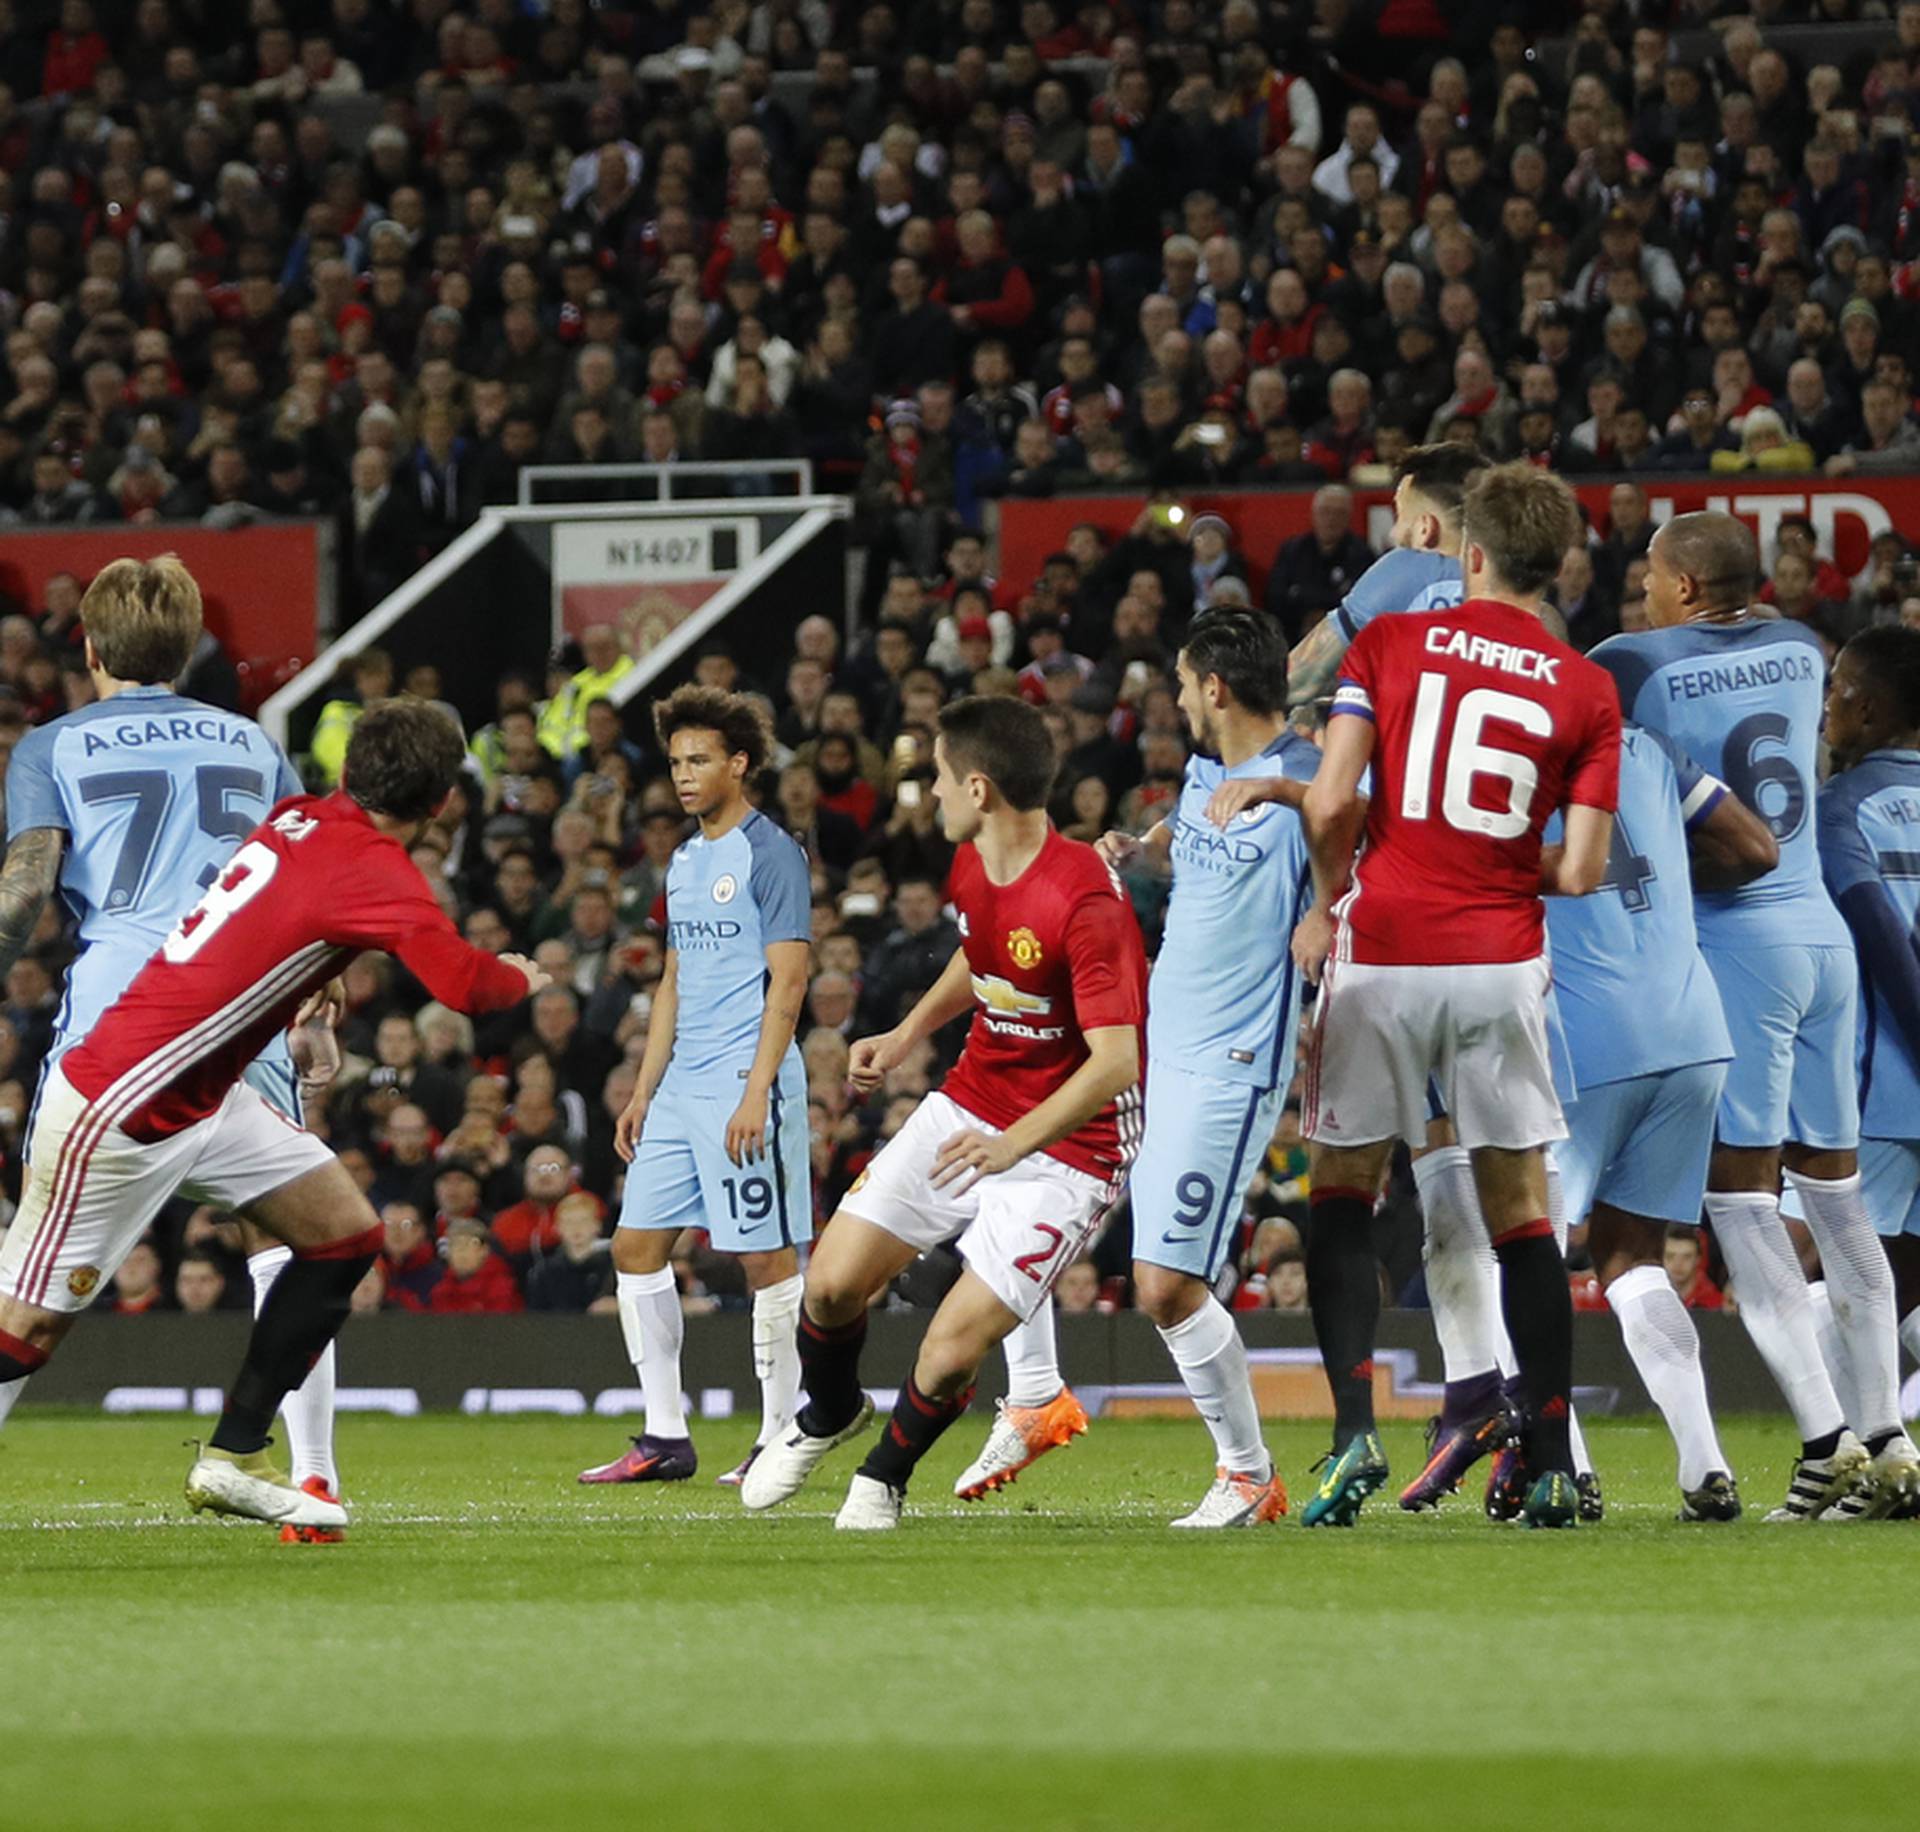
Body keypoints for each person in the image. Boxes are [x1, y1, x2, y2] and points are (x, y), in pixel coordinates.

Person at [0, 698, 545, 1531]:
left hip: (205, 1094)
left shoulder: (299, 817)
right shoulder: (375, 870)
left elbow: (277, 927)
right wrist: (522, 975)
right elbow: (469, 987)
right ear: (443, 803)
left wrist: (314, 993)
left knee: (344, 1234)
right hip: (122, 1099)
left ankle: (235, 1454)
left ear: (349, 772)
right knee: (32, 1324)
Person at [1295, 463, 1621, 1531]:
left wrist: (1349, 884)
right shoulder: (1584, 686)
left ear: (1465, 553)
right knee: (1521, 1207)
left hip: (1382, 946)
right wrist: (1484, 863)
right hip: (1498, 958)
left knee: (1341, 1191)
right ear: (1558, 566)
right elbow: (1577, 870)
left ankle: (1352, 1435)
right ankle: (1555, 1450)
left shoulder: (1385, 646)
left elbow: (1333, 797)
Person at [0, 556, 350, 1539]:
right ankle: (314, 1479)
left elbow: (28, 887)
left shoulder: (53, 744)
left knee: (32, 1275)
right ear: (191, 646)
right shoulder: (253, 740)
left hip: (125, 1016)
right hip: (244, 1008)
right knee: (295, 1238)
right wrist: (315, 1011)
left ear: (90, 645)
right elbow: (305, 886)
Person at [740, 695, 1146, 1530]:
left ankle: (882, 1478)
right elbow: (980, 951)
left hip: (1074, 1145)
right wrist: (904, 1032)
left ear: (979, 787)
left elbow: (1116, 1064)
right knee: (830, 1288)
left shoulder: (1086, 901)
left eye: (936, 776)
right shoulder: (970, 864)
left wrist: (1011, 1150)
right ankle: (829, 1410)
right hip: (971, 1098)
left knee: (949, 1346)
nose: (929, 791)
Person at [1592, 512, 1898, 1520]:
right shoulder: (1803, 648)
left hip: (1738, 950)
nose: (1639, 591)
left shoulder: (1632, 659)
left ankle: (1827, 1446)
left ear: (1681, 586)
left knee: (1743, 1206)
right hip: (1825, 941)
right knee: (1839, 1202)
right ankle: (1889, 1432)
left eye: (1647, 575)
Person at [1417, 702, 1779, 1521]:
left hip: (1585, 1045)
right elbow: (1758, 847)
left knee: (1520, 1251)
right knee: (1631, 1259)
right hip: (1694, 1033)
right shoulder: (1645, 749)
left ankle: (1565, 1467)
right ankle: (1705, 1467)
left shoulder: (1494, 764)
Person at [1087, 608, 1318, 1527]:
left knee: (1166, 1283)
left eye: (1183, 685)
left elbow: (1383, 841)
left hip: (1233, 1057)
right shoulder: (1205, 774)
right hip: (1163, 1045)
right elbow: (1196, 839)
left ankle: (1249, 1472)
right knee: (1152, 1275)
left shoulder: (1314, 776)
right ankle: (1245, 1474)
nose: (1178, 700)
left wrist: (1329, 909)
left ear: (1214, 688)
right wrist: (1141, 853)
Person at [580, 685, 811, 1490]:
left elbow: (788, 986)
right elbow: (674, 979)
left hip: (748, 1083)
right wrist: (646, 1089)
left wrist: (755, 1093)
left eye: (700, 760)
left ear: (739, 764)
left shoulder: (771, 854)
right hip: (683, 1087)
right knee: (635, 1248)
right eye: (676, 761)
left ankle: (783, 1432)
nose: (683, 776)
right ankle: (665, 1436)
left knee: (765, 1261)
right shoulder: (683, 860)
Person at [1811, 626, 1920, 1518]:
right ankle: (1880, 1459)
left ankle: (1862, 1458)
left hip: (1881, 1085)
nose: (1827, 705)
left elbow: (1881, 937)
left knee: (1820, 1267)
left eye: (1840, 689)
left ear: (1875, 708)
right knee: (1900, 1286)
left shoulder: (1845, 806)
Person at [1284, 444, 1489, 714]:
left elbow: (1299, 679)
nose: (1394, 533)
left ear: (1426, 528)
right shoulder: (1523, 589)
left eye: (1400, 516)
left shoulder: (1408, 569)